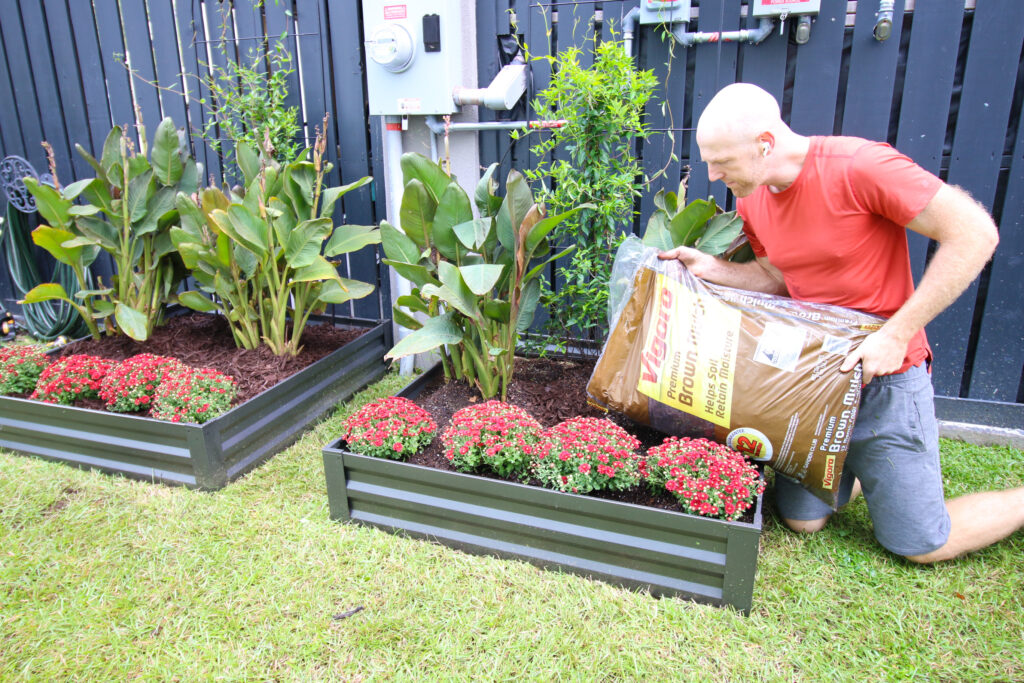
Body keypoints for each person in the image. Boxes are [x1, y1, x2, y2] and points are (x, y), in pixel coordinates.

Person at [659, 82, 1023, 563]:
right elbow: (778, 275)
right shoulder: (754, 197)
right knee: (801, 521)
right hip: (814, 382)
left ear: (764, 144)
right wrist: (714, 270)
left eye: (721, 161)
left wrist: (896, 333)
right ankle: (850, 467)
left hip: (885, 378)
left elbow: (975, 233)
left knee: (921, 545)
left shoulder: (861, 167)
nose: (712, 173)